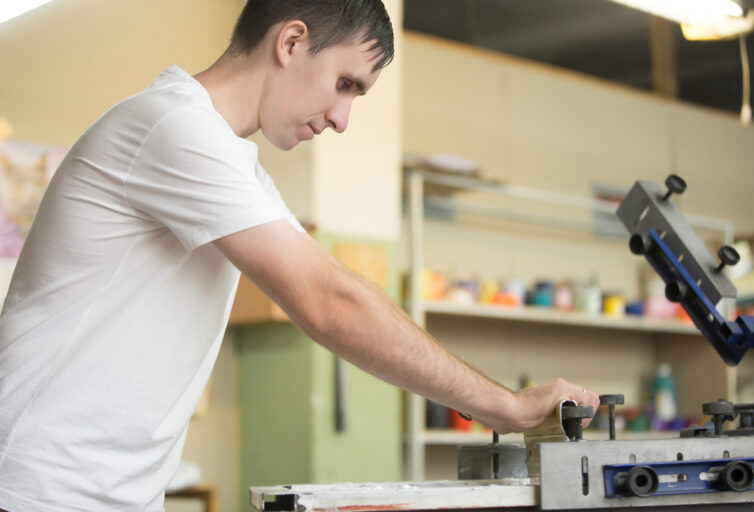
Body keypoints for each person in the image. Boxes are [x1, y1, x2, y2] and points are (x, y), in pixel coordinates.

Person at [0, 1, 599, 510]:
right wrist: (509, 406)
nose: (342, 119)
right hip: (41, 487)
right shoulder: (173, 127)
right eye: (345, 85)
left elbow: (336, 286)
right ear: (290, 41)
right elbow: (330, 305)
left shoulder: (235, 165)